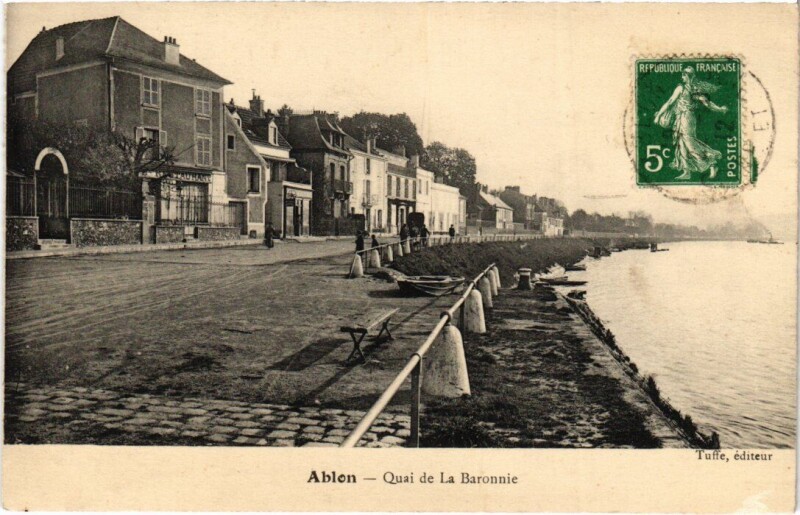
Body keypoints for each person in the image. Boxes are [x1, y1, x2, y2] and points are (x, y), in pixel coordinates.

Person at [654, 66, 728, 180]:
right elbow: (707, 104)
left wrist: (659, 115)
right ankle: (686, 171)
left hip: (687, 118)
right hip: (681, 118)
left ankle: (711, 162)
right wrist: (720, 109)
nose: (682, 77)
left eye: (684, 75)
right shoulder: (691, 88)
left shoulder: (687, 88)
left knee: (689, 142)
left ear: (688, 76)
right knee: (681, 143)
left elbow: (670, 102)